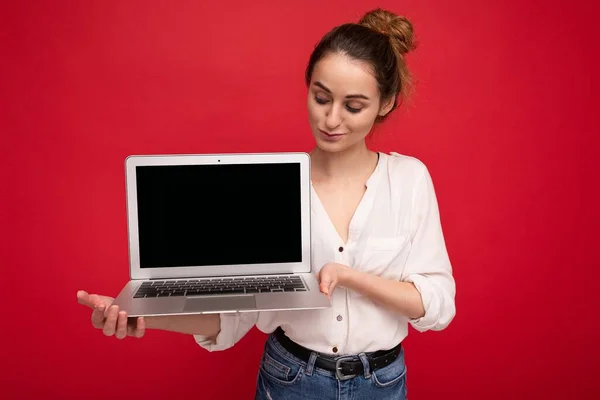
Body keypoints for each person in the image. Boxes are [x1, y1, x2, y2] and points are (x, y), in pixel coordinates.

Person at [77, 8, 456, 400]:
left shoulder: (409, 179)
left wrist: (349, 276)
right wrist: (144, 315)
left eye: (353, 106)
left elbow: (437, 304)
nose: (330, 118)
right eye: (321, 97)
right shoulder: (272, 188)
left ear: (386, 103)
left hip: (382, 383)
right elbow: (235, 313)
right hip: (292, 379)